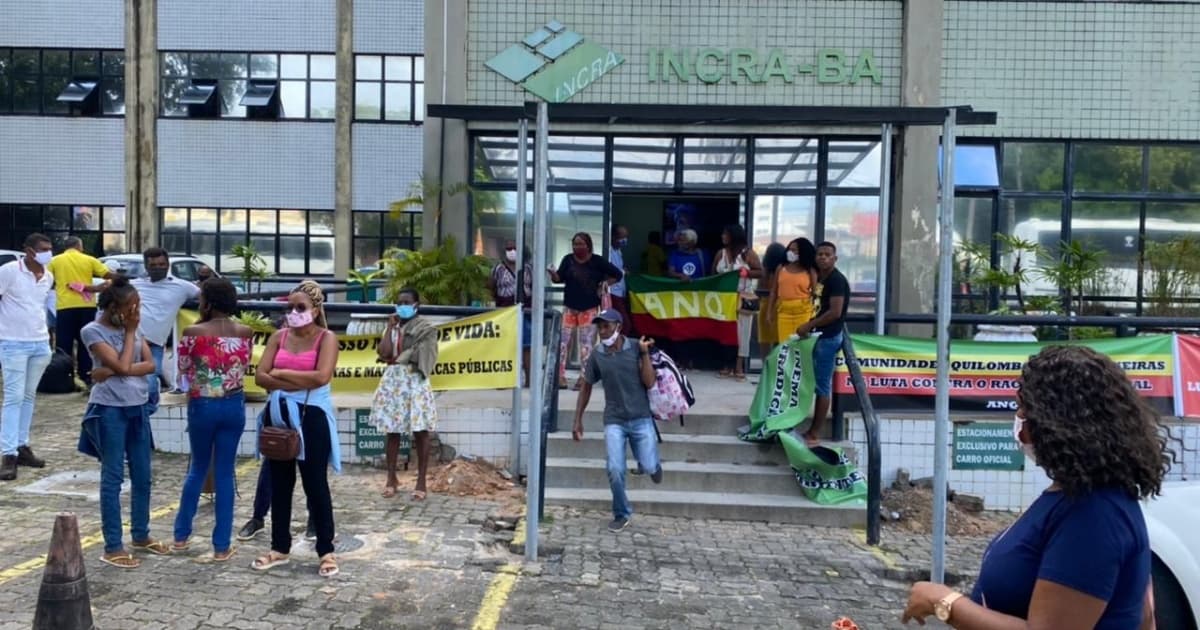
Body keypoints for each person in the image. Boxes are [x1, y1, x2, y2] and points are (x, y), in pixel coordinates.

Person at [902, 345, 1165, 629]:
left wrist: (944, 602)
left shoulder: (1094, 514)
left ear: (1057, 422)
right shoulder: (1071, 496)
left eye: (1024, 408)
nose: (1018, 420)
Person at [251, 280, 341, 577]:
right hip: (278, 414)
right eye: (289, 307)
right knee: (280, 483)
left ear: (315, 310)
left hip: (311, 415)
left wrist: (282, 374)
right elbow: (261, 377)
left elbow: (321, 377)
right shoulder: (279, 336)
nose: (293, 312)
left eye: (300, 307)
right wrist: (291, 380)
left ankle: (326, 550)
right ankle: (280, 547)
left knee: (315, 484)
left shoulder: (326, 338)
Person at [78, 276, 169, 567]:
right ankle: (113, 545)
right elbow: (124, 365)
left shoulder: (135, 327)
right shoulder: (92, 331)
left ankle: (141, 534)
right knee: (113, 478)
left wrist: (115, 369)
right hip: (109, 410)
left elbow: (150, 365)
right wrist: (128, 342)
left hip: (138, 407)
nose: (136, 314)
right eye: (131, 308)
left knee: (143, 475)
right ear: (114, 307)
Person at [171, 278, 252, 562]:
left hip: (203, 403)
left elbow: (182, 369)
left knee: (198, 468)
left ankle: (181, 536)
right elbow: (245, 363)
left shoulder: (193, 331)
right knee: (226, 472)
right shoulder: (244, 331)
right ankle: (221, 545)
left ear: (207, 301)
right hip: (233, 404)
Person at [571, 310, 662, 533]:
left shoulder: (635, 347)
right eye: (599, 327)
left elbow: (649, 383)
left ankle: (652, 464)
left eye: (606, 327)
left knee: (649, 466)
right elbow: (586, 386)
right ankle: (621, 513)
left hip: (641, 418)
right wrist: (578, 420)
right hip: (614, 420)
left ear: (618, 327)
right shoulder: (597, 355)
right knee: (614, 468)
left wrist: (644, 355)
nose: (602, 332)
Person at [369, 288, 439, 500]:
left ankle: (421, 481)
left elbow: (423, 354)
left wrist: (402, 356)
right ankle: (391, 478)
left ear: (416, 305)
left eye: (407, 302)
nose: (402, 306)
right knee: (392, 430)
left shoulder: (426, 328)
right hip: (394, 382)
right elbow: (384, 352)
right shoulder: (393, 327)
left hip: (415, 381)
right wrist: (390, 328)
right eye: (399, 302)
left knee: (420, 431)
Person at [0, 234, 56, 480]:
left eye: (50, 249)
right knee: (13, 398)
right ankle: (8, 453)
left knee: (28, 397)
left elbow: (41, 308)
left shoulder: (48, 276)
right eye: (43, 249)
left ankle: (22, 446)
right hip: (13, 342)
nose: (48, 253)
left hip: (39, 342)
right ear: (29, 251)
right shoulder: (10, 271)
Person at [547, 232, 623, 390]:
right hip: (570, 307)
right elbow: (559, 279)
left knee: (586, 345)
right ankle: (560, 376)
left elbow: (618, 274)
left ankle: (584, 377)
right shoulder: (568, 259)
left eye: (581, 244)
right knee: (562, 343)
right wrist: (552, 274)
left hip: (589, 309)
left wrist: (605, 284)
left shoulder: (597, 261)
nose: (577, 247)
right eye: (575, 244)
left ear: (588, 245)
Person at [794, 241, 849, 446]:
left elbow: (835, 312)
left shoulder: (837, 281)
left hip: (828, 338)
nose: (823, 258)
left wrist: (810, 325)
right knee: (810, 381)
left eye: (827, 255)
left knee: (822, 386)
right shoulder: (821, 278)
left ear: (835, 258)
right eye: (820, 254)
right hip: (816, 336)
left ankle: (815, 431)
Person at [132, 247, 201, 406]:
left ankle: (147, 414)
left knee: (149, 386)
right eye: (153, 265)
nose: (158, 268)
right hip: (127, 340)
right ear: (146, 266)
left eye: (161, 264)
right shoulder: (134, 284)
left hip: (153, 344)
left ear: (168, 264)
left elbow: (207, 296)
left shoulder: (182, 286)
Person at [47, 236, 116, 390]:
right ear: (79, 246)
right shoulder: (89, 259)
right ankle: (86, 375)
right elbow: (107, 275)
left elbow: (46, 279)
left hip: (64, 307)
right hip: (87, 306)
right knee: (86, 342)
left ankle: (65, 376)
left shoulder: (55, 261)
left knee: (64, 344)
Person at [714, 225, 762, 381]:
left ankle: (739, 366)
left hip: (743, 298)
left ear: (734, 236)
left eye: (726, 234)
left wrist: (747, 272)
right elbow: (712, 274)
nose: (723, 236)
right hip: (724, 299)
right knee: (724, 331)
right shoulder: (720, 253)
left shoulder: (747, 253)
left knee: (743, 332)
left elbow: (760, 272)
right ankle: (725, 364)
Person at [488, 239, 533, 385]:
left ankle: (529, 380)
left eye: (514, 248)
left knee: (526, 346)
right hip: (505, 311)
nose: (511, 251)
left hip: (524, 311)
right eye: (509, 248)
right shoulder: (498, 269)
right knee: (504, 345)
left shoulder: (528, 269)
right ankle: (503, 379)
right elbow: (490, 287)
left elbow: (534, 287)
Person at [767, 238, 818, 345]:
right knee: (785, 344)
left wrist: (814, 316)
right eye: (790, 249)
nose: (791, 253)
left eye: (795, 250)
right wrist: (769, 312)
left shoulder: (810, 271)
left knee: (801, 345)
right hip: (783, 311)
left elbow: (816, 294)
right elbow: (773, 292)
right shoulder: (781, 268)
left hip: (803, 312)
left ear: (803, 252)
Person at [756, 242, 788, 359]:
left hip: (765, 305)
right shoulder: (785, 271)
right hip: (780, 306)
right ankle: (778, 366)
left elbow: (759, 290)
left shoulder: (765, 272)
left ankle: (766, 366)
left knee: (764, 339)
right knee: (779, 339)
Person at [608, 225, 635, 335]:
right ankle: (619, 349)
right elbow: (611, 270)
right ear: (613, 237)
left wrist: (623, 270)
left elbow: (619, 268)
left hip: (620, 292)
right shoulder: (608, 252)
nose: (625, 240)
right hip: (613, 292)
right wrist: (622, 272)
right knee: (625, 325)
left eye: (626, 237)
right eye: (622, 237)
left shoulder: (618, 251)